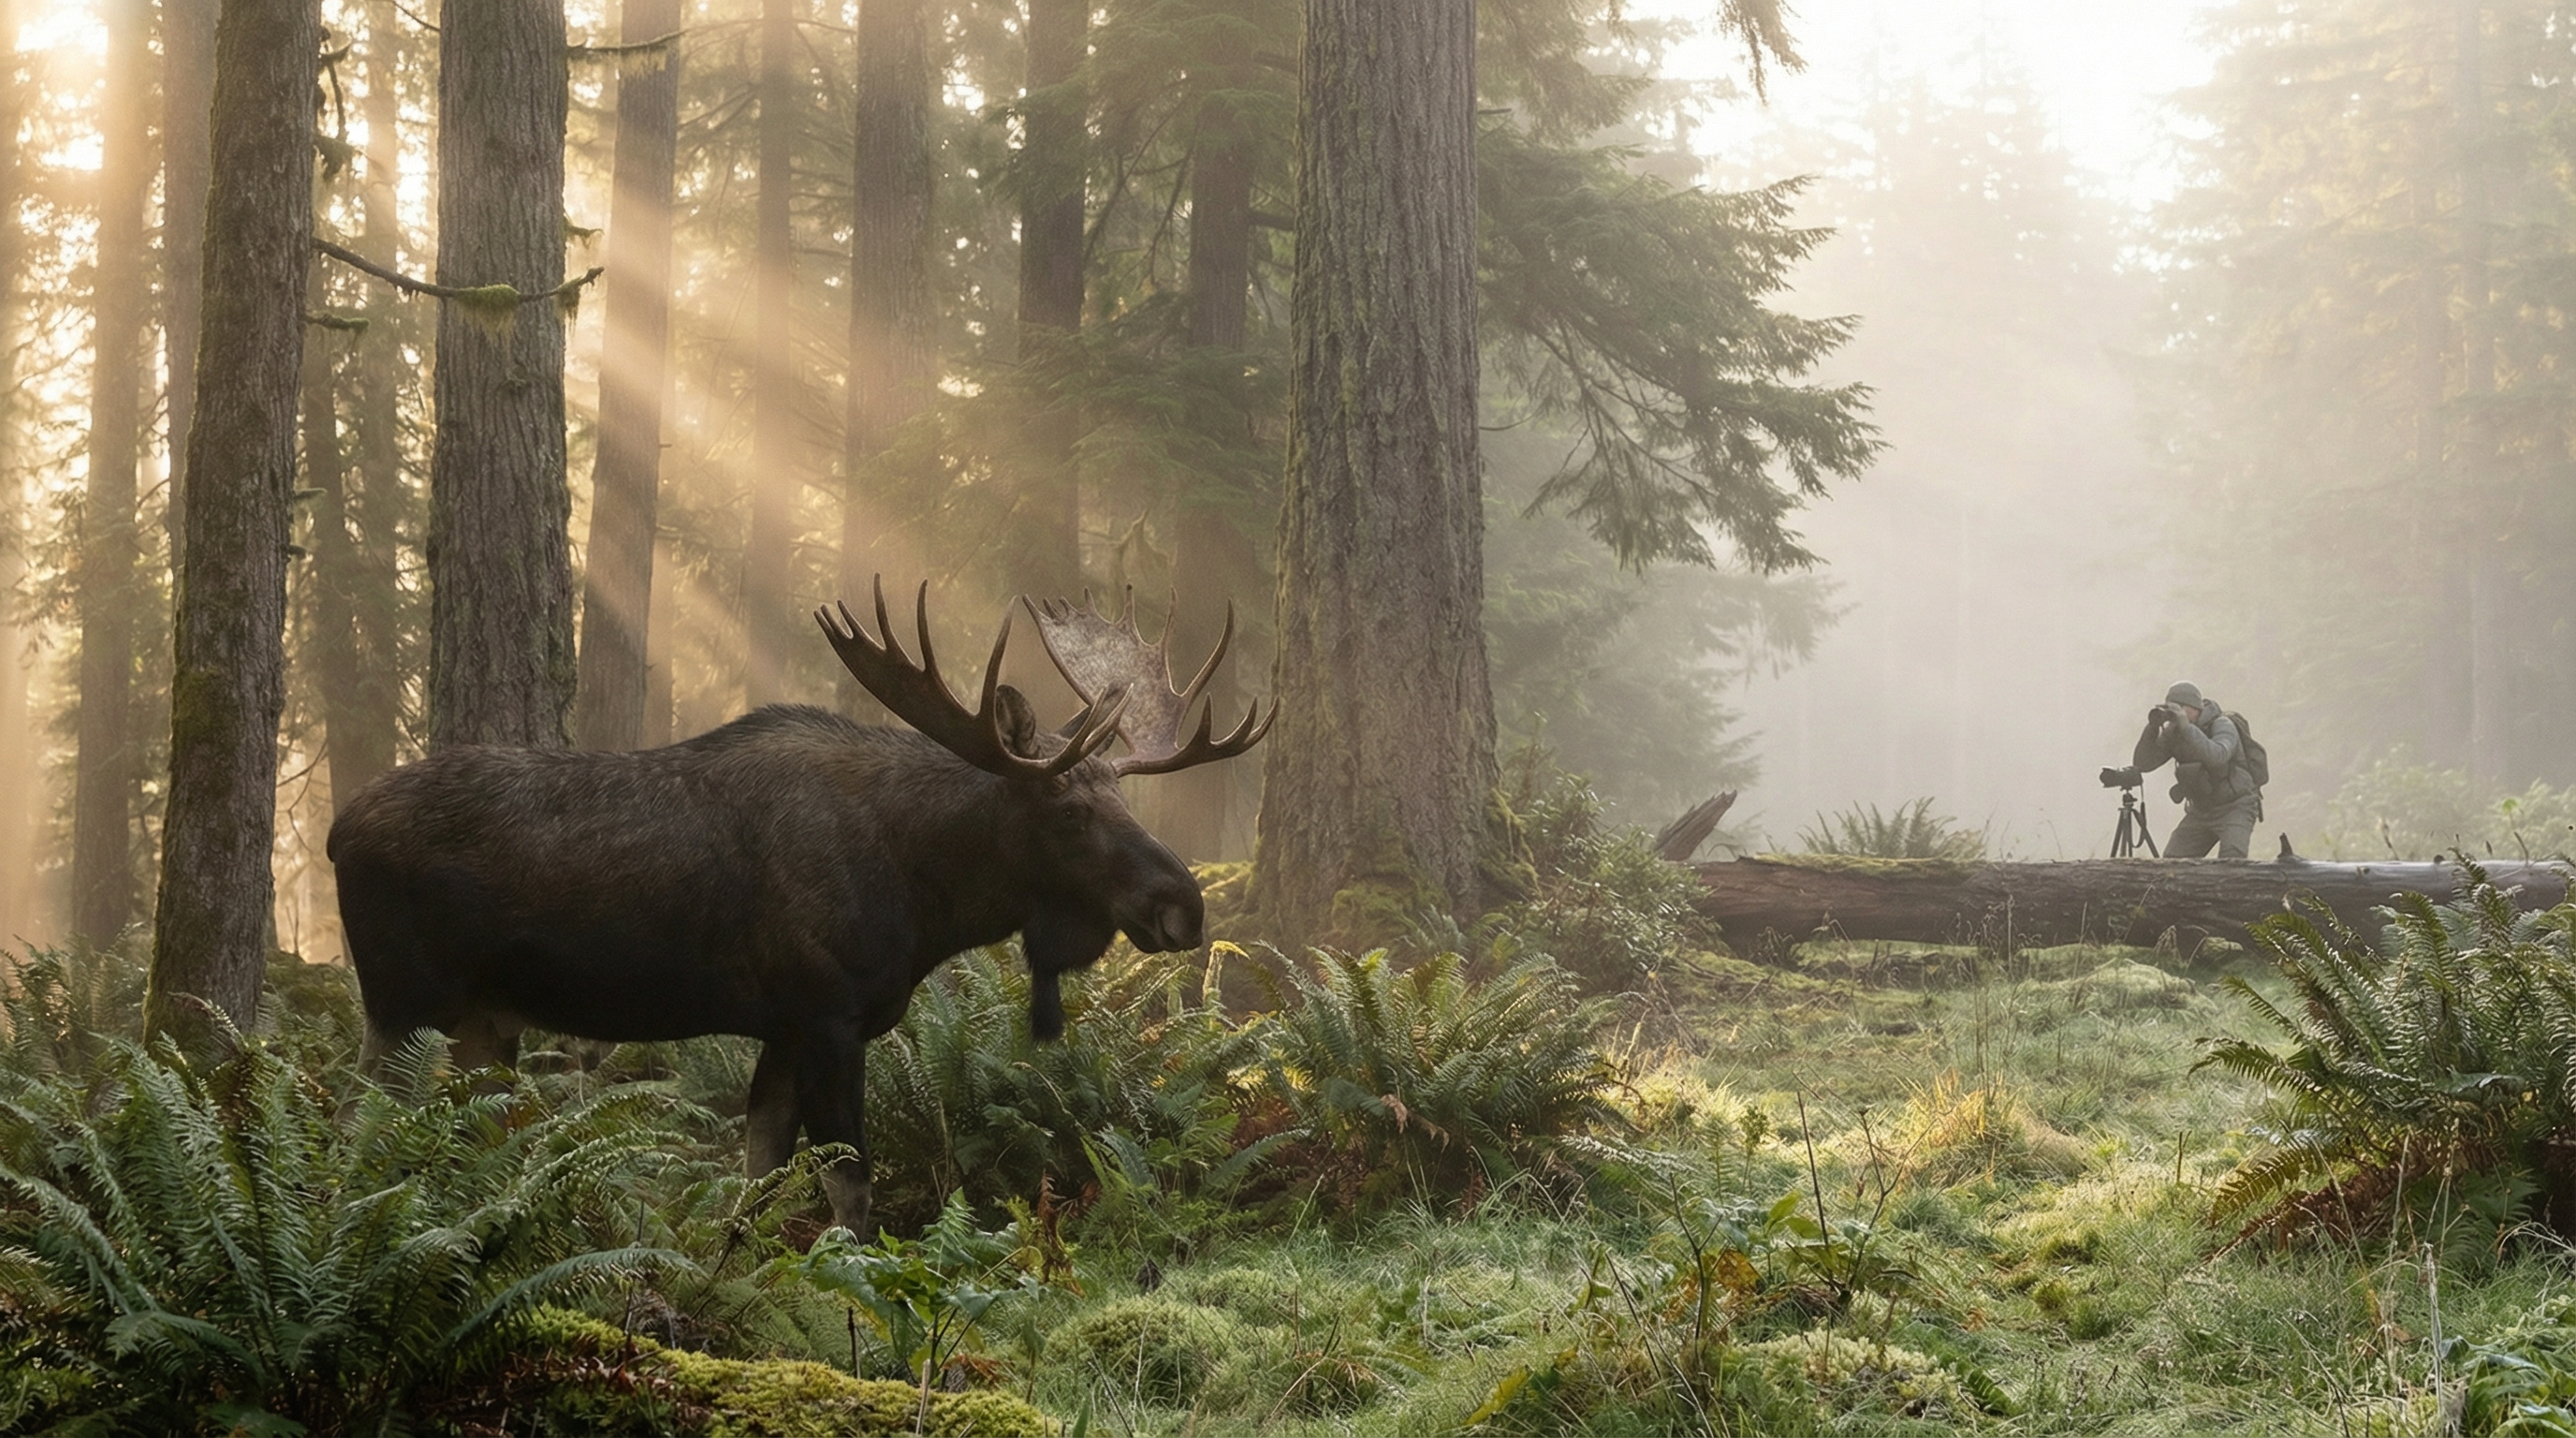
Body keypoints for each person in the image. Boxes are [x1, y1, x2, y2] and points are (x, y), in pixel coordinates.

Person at [2132, 681, 2261, 859]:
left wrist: (2187, 727)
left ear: (2195, 707)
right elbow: (2144, 764)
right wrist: (2152, 728)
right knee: (2172, 862)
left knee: (2232, 860)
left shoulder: (2222, 724)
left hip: (2235, 806)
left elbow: (2218, 756)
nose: (2176, 714)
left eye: (2181, 708)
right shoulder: (2174, 733)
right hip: (2201, 810)